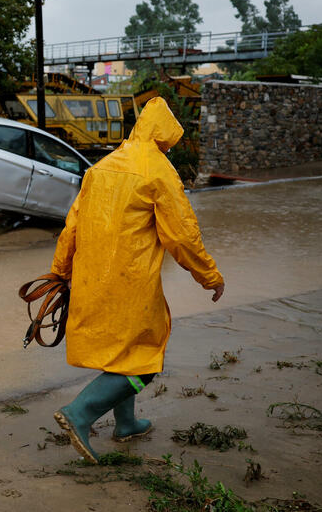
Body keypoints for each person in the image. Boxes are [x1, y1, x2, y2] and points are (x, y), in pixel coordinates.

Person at [49, 96, 225, 463]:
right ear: (166, 138)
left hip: (90, 279)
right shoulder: (158, 171)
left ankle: (126, 424)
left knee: (120, 355)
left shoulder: (101, 166)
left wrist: (60, 272)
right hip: (131, 283)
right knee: (144, 362)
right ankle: (79, 413)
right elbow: (181, 237)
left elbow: (72, 227)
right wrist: (209, 276)